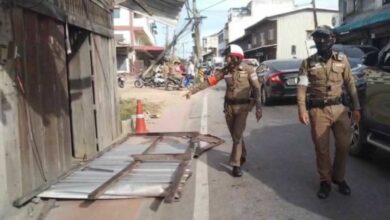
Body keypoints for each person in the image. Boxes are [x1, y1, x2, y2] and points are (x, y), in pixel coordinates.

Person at [297, 25, 361, 199]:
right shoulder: (308, 62)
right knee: (322, 149)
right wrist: (302, 108)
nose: (321, 41)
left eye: (325, 38)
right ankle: (325, 181)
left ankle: (338, 178)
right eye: (317, 38)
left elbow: (350, 84)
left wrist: (356, 107)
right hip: (318, 111)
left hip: (340, 110)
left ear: (332, 39)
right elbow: (302, 88)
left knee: (344, 145)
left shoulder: (342, 60)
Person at [184, 44, 262, 177]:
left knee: (237, 136)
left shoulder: (249, 69)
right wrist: (192, 91)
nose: (227, 60)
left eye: (229, 57)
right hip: (229, 108)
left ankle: (235, 165)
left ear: (236, 57)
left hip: (243, 108)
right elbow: (209, 82)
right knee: (235, 136)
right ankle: (242, 154)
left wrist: (258, 107)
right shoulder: (225, 71)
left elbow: (256, 88)